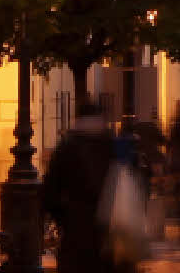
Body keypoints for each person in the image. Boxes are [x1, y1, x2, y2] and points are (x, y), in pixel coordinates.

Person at [44, 109, 126, 273]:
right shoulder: (111, 146)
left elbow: (49, 192)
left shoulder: (66, 147)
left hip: (75, 228)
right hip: (106, 231)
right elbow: (126, 182)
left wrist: (62, 218)